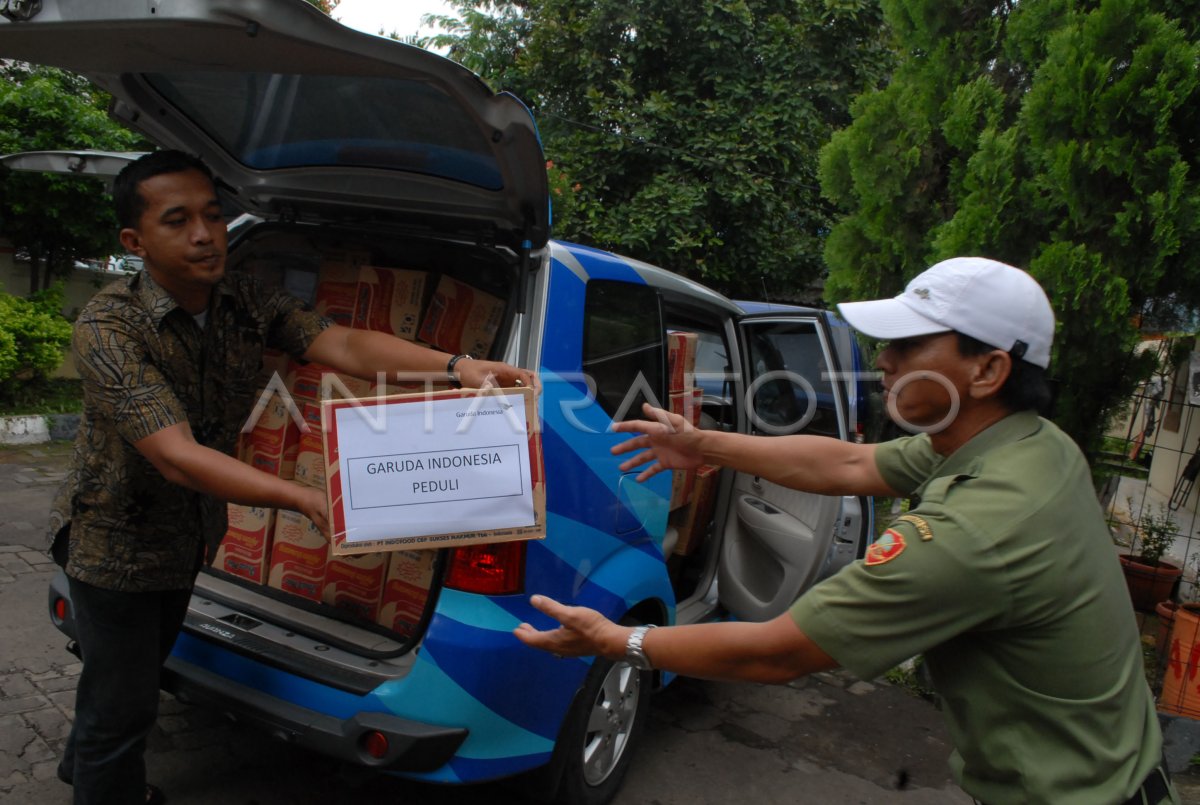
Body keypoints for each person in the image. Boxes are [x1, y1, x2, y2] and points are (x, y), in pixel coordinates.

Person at [514, 257, 1178, 805]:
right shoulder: (1027, 443)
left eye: (911, 344)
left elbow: (777, 652)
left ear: (988, 369)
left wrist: (620, 640)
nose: (884, 360)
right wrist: (703, 443)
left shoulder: (978, 527)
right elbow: (850, 461)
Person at [46, 149, 538, 805]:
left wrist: (457, 367)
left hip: (189, 536)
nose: (204, 233)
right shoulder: (110, 325)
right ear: (135, 242)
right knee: (125, 701)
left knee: (123, 680)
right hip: (114, 544)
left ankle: (87, 766)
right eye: (178, 220)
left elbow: (343, 346)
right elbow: (176, 454)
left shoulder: (243, 299)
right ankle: (106, 785)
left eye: (214, 216)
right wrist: (304, 496)